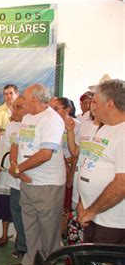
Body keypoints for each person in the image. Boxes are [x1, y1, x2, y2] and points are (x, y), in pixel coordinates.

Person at [7, 84, 65, 265]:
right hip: (27, 180)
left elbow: (45, 154)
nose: (22, 99)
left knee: (48, 227)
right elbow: (17, 143)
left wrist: (18, 169)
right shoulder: (28, 118)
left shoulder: (52, 120)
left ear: (35, 99)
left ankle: (48, 263)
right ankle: (31, 260)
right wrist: (16, 167)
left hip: (47, 183)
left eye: (25, 96)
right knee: (30, 223)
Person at [77, 79, 125, 244]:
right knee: (90, 264)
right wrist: (83, 203)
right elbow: (90, 166)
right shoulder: (104, 128)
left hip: (113, 222)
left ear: (110, 104)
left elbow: (122, 183)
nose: (92, 107)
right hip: (93, 215)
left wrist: (91, 210)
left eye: (95, 102)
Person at [65, 99, 100, 245]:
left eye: (97, 102)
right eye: (93, 102)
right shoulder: (85, 125)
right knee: (76, 228)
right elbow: (75, 151)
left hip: (98, 191)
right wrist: (71, 131)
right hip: (80, 187)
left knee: (94, 232)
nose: (93, 106)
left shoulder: (114, 128)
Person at [49, 97, 80, 237]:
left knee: (66, 207)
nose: (52, 112)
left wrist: (69, 171)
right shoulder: (50, 124)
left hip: (70, 170)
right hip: (54, 170)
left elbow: (76, 153)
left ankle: (61, 236)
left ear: (67, 109)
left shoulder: (77, 126)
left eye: (56, 109)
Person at [4, 96, 29, 259]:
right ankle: (22, 246)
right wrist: (12, 166)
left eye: (19, 107)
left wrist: (20, 169)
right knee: (16, 212)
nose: (15, 110)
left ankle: (31, 247)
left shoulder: (34, 125)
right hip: (14, 178)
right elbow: (8, 148)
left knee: (30, 215)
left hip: (30, 179)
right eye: (14, 107)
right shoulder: (11, 126)